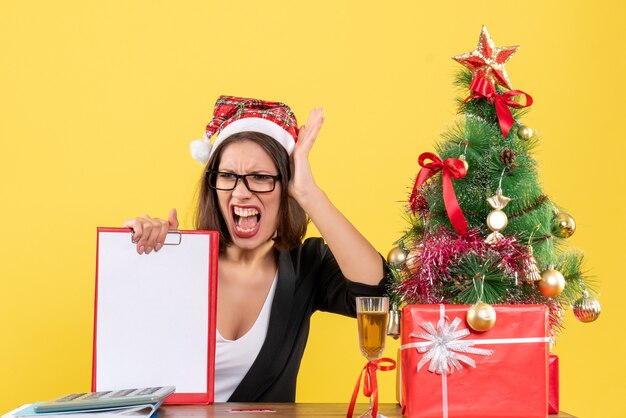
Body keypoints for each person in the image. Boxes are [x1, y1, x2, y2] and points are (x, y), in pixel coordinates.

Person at [123, 96, 388, 402]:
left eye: (260, 178)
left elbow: (376, 292)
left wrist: (308, 192)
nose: (241, 192)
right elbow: (128, 367)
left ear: (286, 187)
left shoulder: (306, 266)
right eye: (227, 176)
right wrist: (141, 257)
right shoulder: (179, 260)